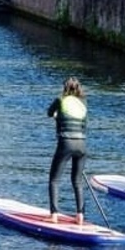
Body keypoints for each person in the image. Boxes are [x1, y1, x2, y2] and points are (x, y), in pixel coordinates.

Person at [46, 77, 88, 225]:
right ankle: (80, 216)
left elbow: (49, 113)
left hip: (66, 143)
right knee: (77, 181)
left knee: (54, 179)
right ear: (79, 88)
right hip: (82, 145)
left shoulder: (60, 100)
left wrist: (57, 116)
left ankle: (54, 215)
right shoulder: (83, 103)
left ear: (65, 87)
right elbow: (83, 125)